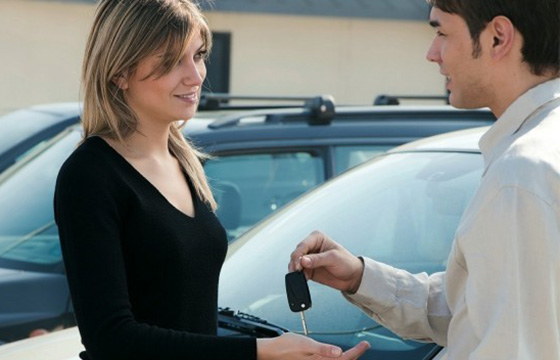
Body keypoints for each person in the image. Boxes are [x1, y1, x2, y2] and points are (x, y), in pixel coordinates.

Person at [54, 0, 370, 359]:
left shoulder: (184, 161)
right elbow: (111, 339)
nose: (196, 75)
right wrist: (260, 351)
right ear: (119, 73)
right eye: (172, 61)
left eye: (199, 55)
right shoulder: (90, 175)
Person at [289, 0, 560, 359]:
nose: (432, 54)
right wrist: (360, 278)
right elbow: (472, 312)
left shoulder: (521, 174)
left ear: (498, 38)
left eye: (442, 33)